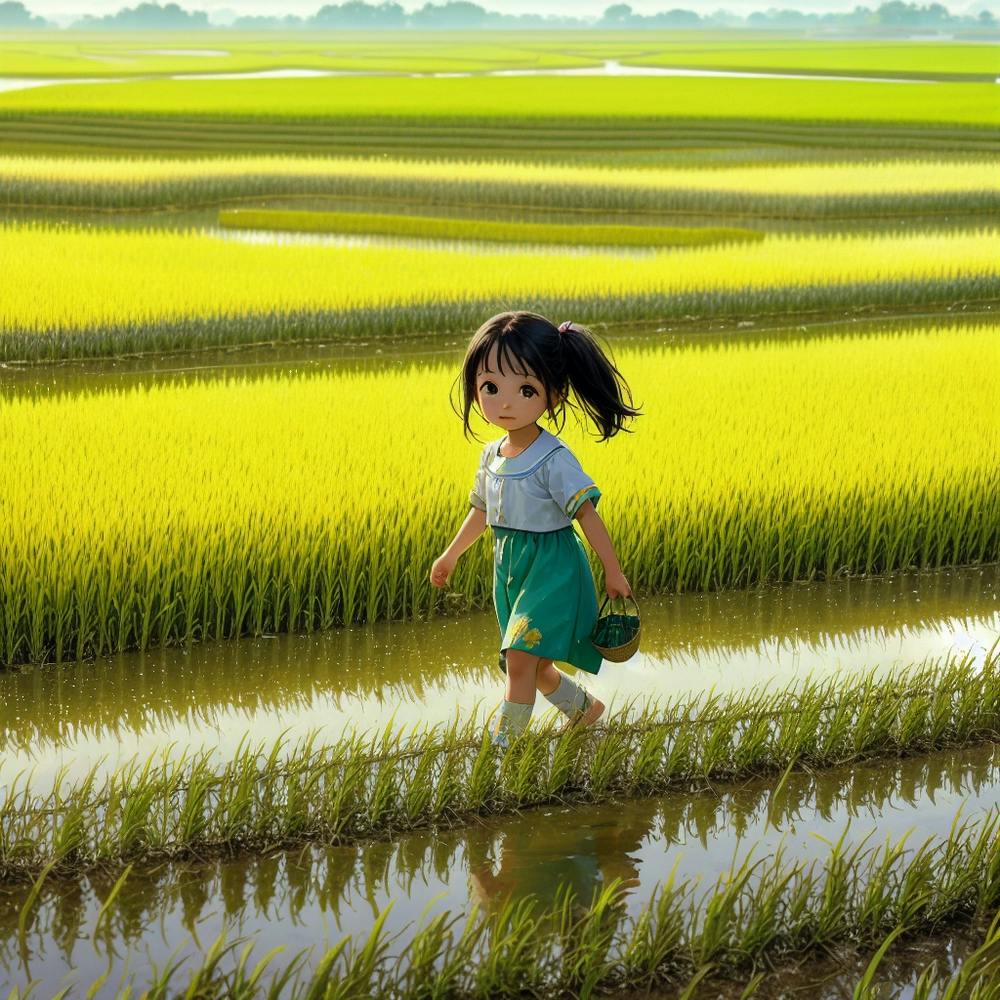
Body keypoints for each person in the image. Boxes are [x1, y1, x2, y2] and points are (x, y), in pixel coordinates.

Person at [429, 311, 642, 749]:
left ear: (554, 396)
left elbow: (587, 516)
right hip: (510, 568)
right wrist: (450, 555)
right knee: (526, 664)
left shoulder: (554, 458)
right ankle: (586, 711)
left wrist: (613, 571)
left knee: (521, 657)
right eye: (491, 387)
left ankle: (503, 749)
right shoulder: (491, 455)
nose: (504, 401)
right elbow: (481, 512)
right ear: (475, 388)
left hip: (552, 568)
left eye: (525, 389)